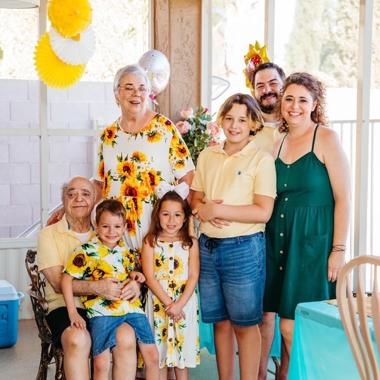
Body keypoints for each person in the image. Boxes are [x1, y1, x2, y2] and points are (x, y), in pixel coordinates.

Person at [264, 72, 350, 379]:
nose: (294, 106)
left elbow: (344, 199)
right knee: (282, 325)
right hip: (279, 242)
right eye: (289, 98)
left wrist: (338, 250)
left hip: (312, 245)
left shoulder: (326, 138)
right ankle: (286, 373)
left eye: (303, 100)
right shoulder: (277, 142)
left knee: (294, 325)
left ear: (314, 104)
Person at [191, 93, 276, 380]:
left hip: (243, 248)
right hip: (208, 248)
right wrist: (203, 209)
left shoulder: (261, 160)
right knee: (221, 323)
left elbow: (263, 211)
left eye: (242, 120)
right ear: (221, 121)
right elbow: (195, 199)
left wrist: (220, 209)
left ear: (254, 124)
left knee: (245, 324)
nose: (234, 125)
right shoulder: (207, 155)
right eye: (229, 118)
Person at [37, 176, 141, 380]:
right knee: (78, 338)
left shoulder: (106, 232)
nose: (78, 199)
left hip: (105, 307)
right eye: (71, 194)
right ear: (63, 199)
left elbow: (127, 268)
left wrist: (135, 284)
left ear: (95, 201)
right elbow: (59, 284)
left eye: (85, 194)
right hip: (65, 307)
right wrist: (97, 287)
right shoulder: (48, 234)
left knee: (126, 337)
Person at [61, 199, 159, 380]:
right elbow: (66, 279)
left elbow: (133, 274)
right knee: (101, 364)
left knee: (152, 356)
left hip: (132, 310)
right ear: (96, 226)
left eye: (117, 227)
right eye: (105, 226)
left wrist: (138, 276)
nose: (111, 232)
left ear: (123, 228)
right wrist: (73, 313)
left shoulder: (128, 251)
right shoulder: (86, 251)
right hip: (102, 313)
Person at [141, 182, 200, 380]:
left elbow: (193, 276)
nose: (171, 220)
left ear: (185, 218)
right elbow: (149, 277)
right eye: (166, 214)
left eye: (177, 215)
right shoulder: (150, 241)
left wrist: (179, 304)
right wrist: (169, 304)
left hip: (184, 305)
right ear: (158, 215)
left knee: (181, 356)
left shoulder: (190, 243)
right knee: (160, 355)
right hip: (160, 303)